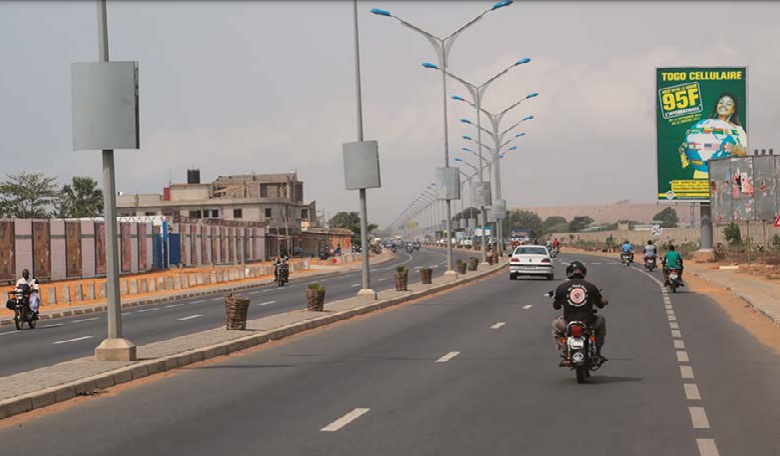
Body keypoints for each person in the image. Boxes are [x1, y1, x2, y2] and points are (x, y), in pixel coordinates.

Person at [551, 260, 609, 359]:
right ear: (584, 272)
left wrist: (562, 302)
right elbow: (600, 305)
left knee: (555, 327)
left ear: (569, 272)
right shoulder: (591, 287)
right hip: (588, 323)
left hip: (568, 322)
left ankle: (564, 349)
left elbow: (556, 306)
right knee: (601, 320)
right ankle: (598, 350)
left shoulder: (562, 287)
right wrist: (603, 301)